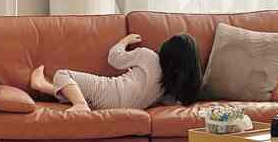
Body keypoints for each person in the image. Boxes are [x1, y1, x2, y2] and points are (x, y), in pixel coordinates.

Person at [30, 32, 203, 111]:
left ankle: (80, 105)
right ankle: (44, 86)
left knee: (63, 74)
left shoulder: (148, 56)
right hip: (124, 106)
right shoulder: (170, 89)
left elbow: (114, 58)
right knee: (76, 90)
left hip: (108, 92)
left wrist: (125, 40)